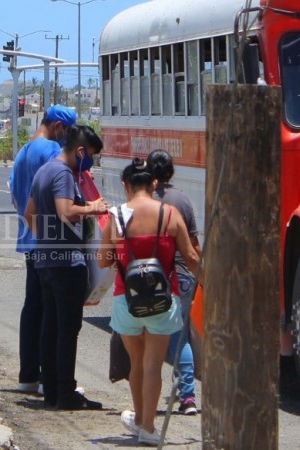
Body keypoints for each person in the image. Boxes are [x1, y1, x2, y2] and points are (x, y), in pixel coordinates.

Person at [96, 157, 200, 446]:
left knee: (136, 363)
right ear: (154, 184)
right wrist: (207, 282)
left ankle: (141, 421)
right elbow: (191, 258)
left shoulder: (116, 217)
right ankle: (150, 427)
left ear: (125, 185)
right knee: (154, 364)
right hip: (164, 300)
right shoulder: (169, 214)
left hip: (126, 300)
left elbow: (104, 260)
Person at [23, 125, 107, 410]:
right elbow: (66, 211)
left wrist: (46, 241)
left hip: (45, 261)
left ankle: (53, 392)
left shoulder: (44, 171)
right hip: (66, 264)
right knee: (68, 329)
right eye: (91, 156)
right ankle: (66, 393)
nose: (90, 162)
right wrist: (93, 208)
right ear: (80, 150)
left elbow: (28, 214)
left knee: (51, 327)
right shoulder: (61, 173)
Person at [8, 104, 76, 393]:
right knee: (52, 312)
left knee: (33, 306)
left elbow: (15, 195)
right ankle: (52, 379)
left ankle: (28, 374)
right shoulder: (50, 150)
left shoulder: (23, 151)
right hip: (47, 242)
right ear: (59, 127)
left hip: (30, 239)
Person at [147, 149, 202, 415]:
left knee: (149, 336)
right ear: (171, 172)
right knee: (180, 337)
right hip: (180, 276)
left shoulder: (143, 200)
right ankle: (188, 396)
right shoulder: (182, 200)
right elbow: (193, 245)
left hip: (147, 279)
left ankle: (147, 398)